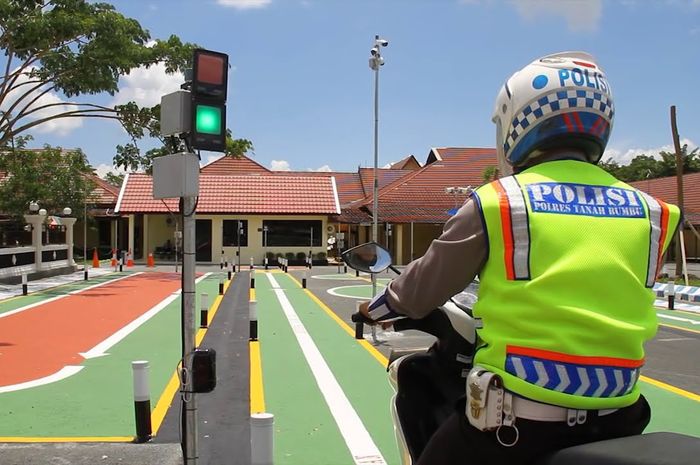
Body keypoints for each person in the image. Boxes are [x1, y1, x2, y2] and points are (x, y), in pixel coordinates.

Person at [359, 51, 681, 465]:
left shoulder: (500, 203)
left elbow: (422, 288)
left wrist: (377, 307)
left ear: (519, 120)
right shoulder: (655, 211)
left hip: (520, 420)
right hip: (622, 413)